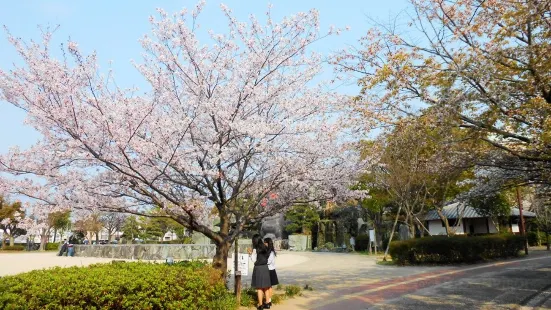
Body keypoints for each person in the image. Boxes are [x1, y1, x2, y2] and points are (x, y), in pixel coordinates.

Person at [248, 234, 271, 310]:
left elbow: (254, 260)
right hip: (265, 267)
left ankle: (260, 305)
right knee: (266, 287)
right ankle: (267, 303)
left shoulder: (255, 249)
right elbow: (268, 257)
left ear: (254, 241)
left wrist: (250, 254)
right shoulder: (265, 247)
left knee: (259, 288)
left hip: (258, 269)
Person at [264, 237, 279, 309]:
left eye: (265, 242)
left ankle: (269, 301)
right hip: (271, 270)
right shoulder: (270, 251)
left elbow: (268, 262)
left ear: (267, 243)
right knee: (269, 286)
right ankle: (269, 300)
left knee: (268, 286)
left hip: (270, 270)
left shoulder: (271, 252)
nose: (264, 244)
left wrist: (262, 261)